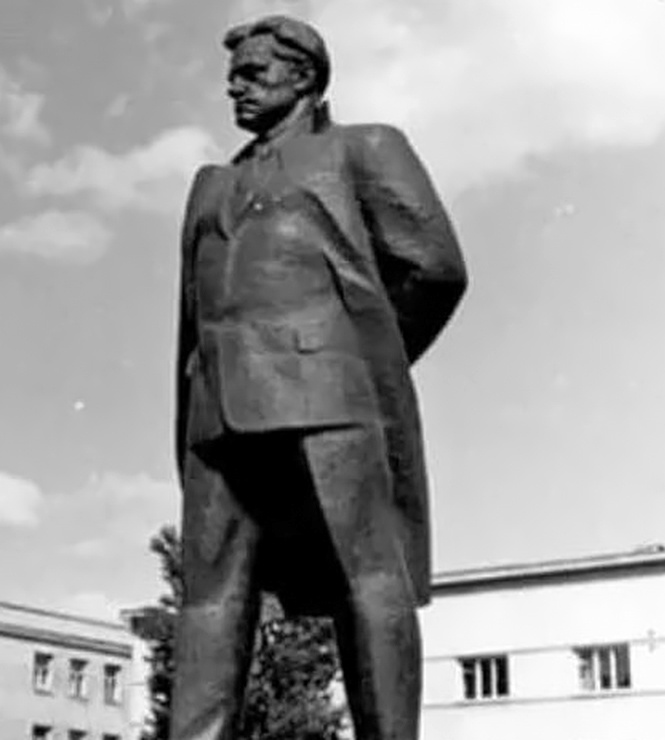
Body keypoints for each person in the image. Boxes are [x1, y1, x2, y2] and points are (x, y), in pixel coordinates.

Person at [169, 14, 468, 740]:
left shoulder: (363, 148)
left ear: (303, 76)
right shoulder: (211, 184)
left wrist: (356, 358)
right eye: (232, 76)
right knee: (209, 597)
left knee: (370, 578)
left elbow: (434, 268)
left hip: (331, 395)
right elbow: (190, 313)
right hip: (216, 409)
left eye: (253, 72)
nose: (235, 87)